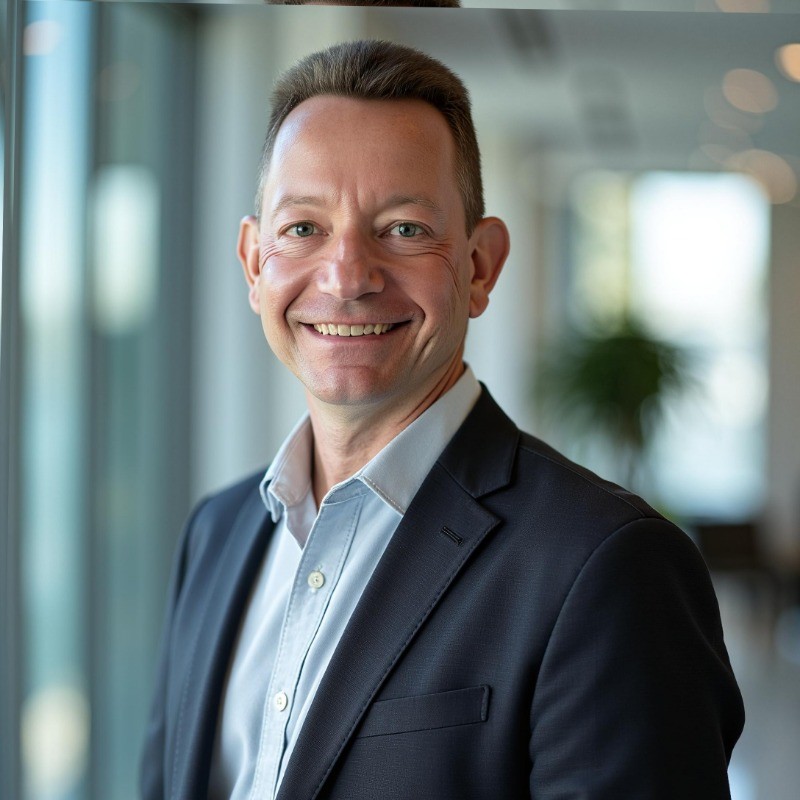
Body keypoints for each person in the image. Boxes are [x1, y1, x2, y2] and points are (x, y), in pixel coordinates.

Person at [140, 39, 744, 800]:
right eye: (303, 228)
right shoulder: (216, 533)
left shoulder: (608, 566)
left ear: (481, 266)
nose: (347, 277)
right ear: (254, 263)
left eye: (404, 229)